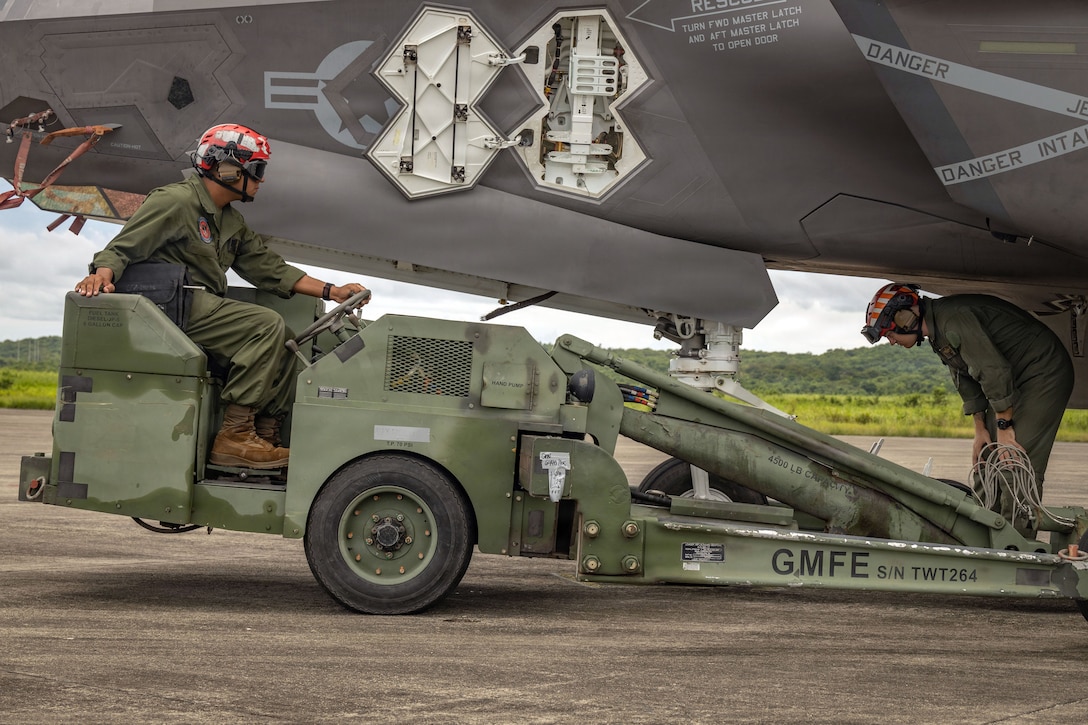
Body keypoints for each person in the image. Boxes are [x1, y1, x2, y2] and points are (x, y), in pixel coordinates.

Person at [74, 123, 369, 470]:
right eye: (256, 170)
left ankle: (263, 434)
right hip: (171, 308)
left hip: (199, 307)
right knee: (265, 326)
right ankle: (234, 436)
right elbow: (122, 249)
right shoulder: (176, 200)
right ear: (227, 168)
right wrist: (100, 276)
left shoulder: (231, 221)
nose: (261, 180)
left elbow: (268, 268)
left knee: (289, 340)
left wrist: (333, 291)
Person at [861, 283, 1074, 534]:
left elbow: (992, 371)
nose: (892, 341)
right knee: (986, 461)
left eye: (890, 334)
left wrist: (1004, 426)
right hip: (1009, 380)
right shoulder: (938, 331)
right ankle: (982, 542)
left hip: (1042, 370)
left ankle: (1016, 551)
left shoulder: (953, 320)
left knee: (1013, 463)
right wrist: (980, 429)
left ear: (905, 318)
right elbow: (966, 378)